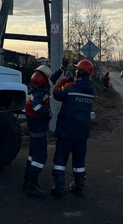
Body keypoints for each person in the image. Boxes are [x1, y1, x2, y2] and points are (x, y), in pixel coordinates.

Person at [50, 59, 96, 198]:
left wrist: (65, 80)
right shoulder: (92, 91)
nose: (75, 71)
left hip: (66, 131)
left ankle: (59, 187)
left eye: (77, 69)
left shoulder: (71, 88)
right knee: (79, 161)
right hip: (82, 133)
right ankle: (79, 186)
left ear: (79, 72)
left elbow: (57, 94)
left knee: (60, 160)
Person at [23, 64, 53, 198]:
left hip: (34, 129)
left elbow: (50, 81)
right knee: (40, 157)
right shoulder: (40, 94)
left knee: (32, 155)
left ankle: (28, 183)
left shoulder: (35, 90)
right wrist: (48, 113)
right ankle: (31, 186)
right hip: (38, 129)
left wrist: (62, 70)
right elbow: (37, 107)